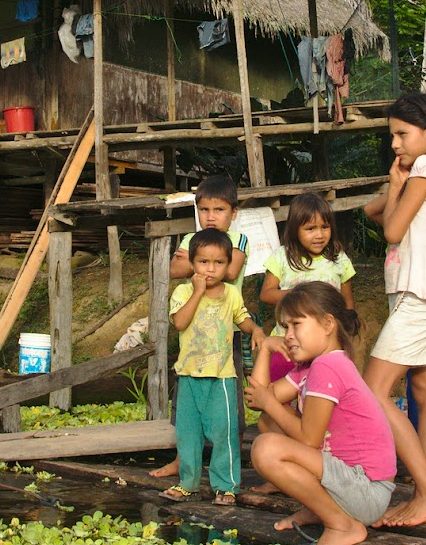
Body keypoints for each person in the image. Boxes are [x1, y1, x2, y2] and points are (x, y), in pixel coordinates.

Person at [361, 92, 426, 526]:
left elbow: (392, 228)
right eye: (392, 136)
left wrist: (397, 184)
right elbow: (378, 213)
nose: (396, 145)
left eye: (402, 134)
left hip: (418, 297)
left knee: (373, 391)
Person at [246, 281, 396, 545]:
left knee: (265, 448)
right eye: (284, 327)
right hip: (349, 483)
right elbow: (259, 399)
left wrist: (268, 402)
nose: (288, 336)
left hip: (367, 491)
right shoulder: (311, 367)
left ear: (328, 324)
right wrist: (265, 349)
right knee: (269, 420)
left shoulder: (328, 367)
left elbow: (308, 439)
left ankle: (341, 524)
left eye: (296, 325)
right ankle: (322, 509)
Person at [152, 173, 251, 480]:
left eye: (219, 210)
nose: (211, 217)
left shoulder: (239, 240)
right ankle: (184, 459)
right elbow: (173, 268)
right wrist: (198, 262)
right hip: (192, 335)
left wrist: (193, 261)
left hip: (226, 333)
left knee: (228, 401)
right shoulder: (188, 239)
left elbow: (230, 269)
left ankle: (230, 460)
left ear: (233, 213)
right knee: (186, 399)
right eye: (204, 210)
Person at [163, 228, 264, 504]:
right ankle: (188, 483)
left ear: (228, 265)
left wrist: (255, 330)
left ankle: (226, 486)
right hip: (187, 375)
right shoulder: (183, 291)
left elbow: (242, 319)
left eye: (218, 263)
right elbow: (180, 323)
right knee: (187, 434)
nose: (210, 269)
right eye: (203, 262)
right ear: (193, 264)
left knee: (224, 433)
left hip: (221, 377)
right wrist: (197, 292)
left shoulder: (231, 293)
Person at [258, 192, 356, 384]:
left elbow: (347, 303)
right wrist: (301, 298)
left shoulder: (339, 259)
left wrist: (347, 332)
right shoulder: (282, 257)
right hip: (287, 344)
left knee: (320, 398)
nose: (319, 235)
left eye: (325, 227)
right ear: (295, 229)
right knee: (277, 399)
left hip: (325, 347)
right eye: (310, 228)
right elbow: (266, 294)